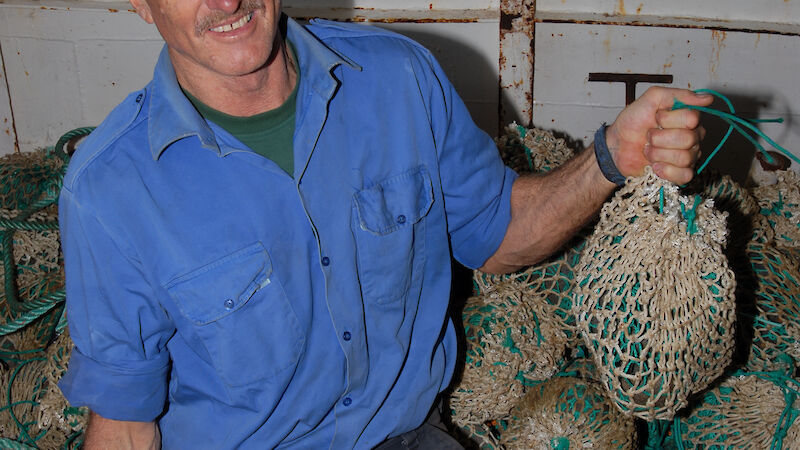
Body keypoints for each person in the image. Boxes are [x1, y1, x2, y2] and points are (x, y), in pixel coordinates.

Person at [57, 0, 712, 448]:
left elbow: (498, 231)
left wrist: (609, 158)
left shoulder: (400, 78)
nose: (226, 0)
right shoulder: (109, 190)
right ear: (139, 3)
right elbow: (123, 426)